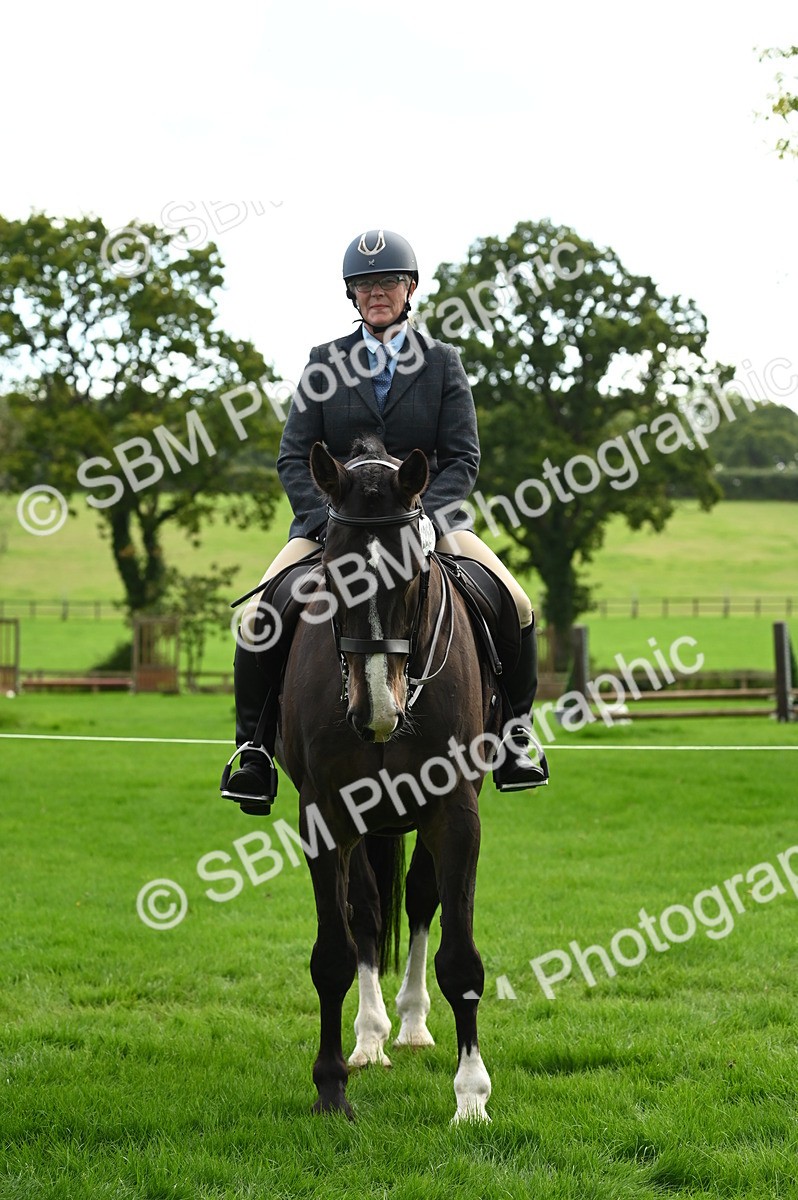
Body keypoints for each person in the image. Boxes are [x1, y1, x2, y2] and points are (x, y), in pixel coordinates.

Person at [221, 229, 549, 811]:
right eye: (365, 284)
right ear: (352, 294)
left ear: (410, 289)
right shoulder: (324, 362)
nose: (377, 293)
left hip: (431, 522)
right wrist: (327, 519)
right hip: (338, 527)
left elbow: (463, 457)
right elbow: (294, 457)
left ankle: (516, 737)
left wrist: (426, 520)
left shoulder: (442, 362)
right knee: (255, 618)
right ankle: (254, 751)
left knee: (518, 604)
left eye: (388, 282)